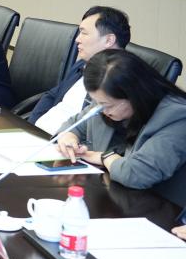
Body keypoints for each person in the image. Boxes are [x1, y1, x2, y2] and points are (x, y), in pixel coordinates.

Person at [57, 49, 186, 206]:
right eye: (97, 103)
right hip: (113, 197)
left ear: (134, 95)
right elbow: (74, 124)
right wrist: (69, 138)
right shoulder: (107, 101)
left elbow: (136, 174)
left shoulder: (177, 117)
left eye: (106, 105)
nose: (101, 110)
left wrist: (105, 157)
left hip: (158, 207)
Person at [28, 6, 130, 134]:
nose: (77, 39)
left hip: (64, 142)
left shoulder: (120, 81)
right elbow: (52, 95)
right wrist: (30, 127)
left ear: (109, 40)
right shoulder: (81, 64)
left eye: (84, 33)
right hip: (37, 134)